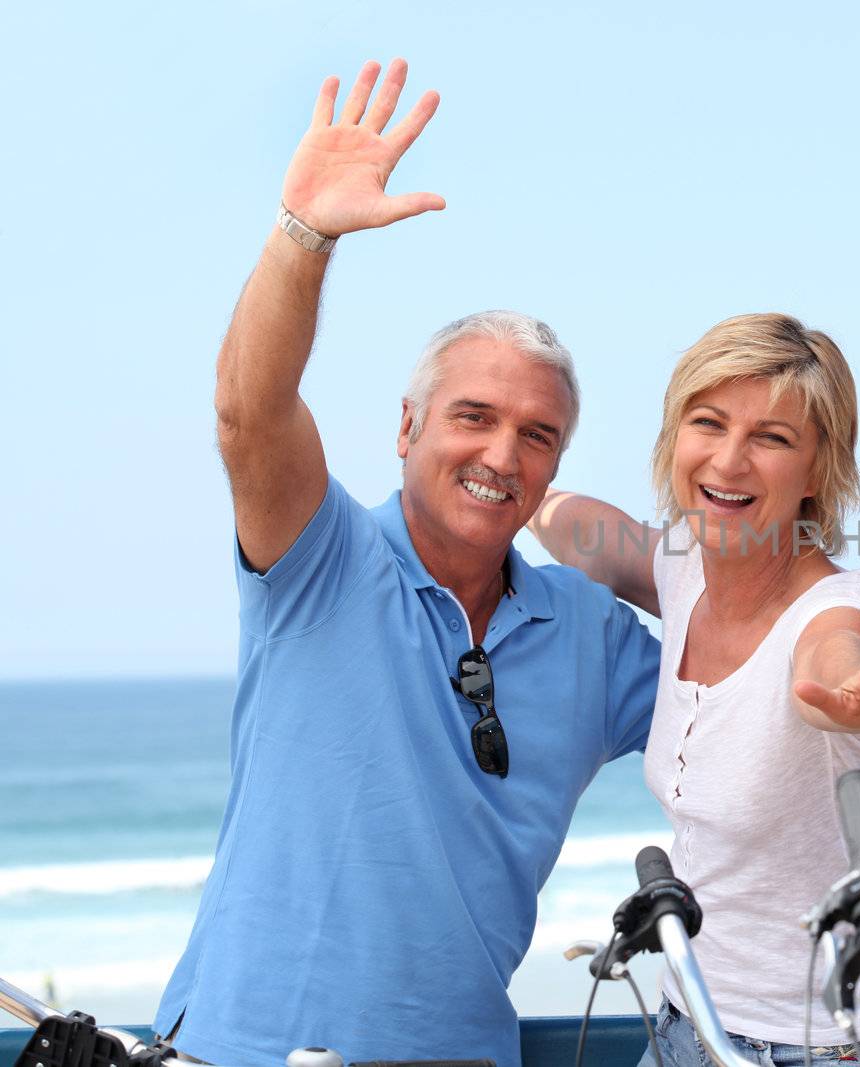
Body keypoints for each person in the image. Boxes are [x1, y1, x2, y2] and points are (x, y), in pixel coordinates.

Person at [154, 61, 660, 1067]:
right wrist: (304, 235)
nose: (501, 454)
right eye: (473, 416)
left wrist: (646, 564)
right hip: (237, 1050)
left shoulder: (595, 640)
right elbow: (248, 413)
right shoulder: (320, 557)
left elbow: (739, 666)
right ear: (406, 425)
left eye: (537, 434)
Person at [532, 314, 860, 1066]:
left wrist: (856, 695)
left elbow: (832, 658)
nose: (730, 460)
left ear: (816, 472)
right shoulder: (687, 567)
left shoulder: (841, 607)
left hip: (832, 1047)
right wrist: (518, 496)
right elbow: (587, 530)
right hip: (690, 1018)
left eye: (772, 437)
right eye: (707, 423)